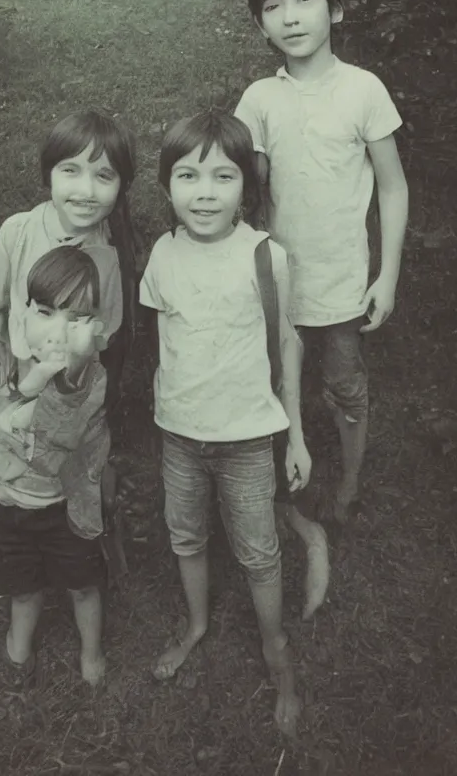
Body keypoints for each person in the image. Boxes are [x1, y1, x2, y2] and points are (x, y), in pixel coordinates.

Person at [139, 108, 319, 736]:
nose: (205, 192)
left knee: (258, 553)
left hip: (246, 439)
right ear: (166, 187)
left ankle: (277, 653)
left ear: (248, 185)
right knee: (185, 536)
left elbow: (287, 344)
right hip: (180, 437)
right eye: (188, 176)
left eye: (223, 176)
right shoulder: (161, 254)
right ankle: (196, 624)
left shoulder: (266, 257)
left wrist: (294, 433)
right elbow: (165, 340)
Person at [235, 0, 409, 521]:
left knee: (344, 385)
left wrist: (387, 277)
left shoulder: (364, 89)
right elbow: (244, 181)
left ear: (334, 11)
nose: (290, 16)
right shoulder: (259, 98)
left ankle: (350, 481)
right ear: (261, 23)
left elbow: (392, 187)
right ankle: (277, 475)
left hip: (339, 281)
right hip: (278, 284)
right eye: (272, 5)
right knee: (274, 378)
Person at [0, 246, 110, 686]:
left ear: (95, 330)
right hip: (9, 516)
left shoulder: (89, 392)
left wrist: (60, 376)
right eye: (45, 311)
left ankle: (91, 650)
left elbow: (62, 434)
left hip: (67, 511)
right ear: (21, 321)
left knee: (83, 587)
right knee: (23, 591)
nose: (60, 331)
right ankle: (19, 644)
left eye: (78, 318)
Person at [0, 109, 136, 419]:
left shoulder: (111, 251)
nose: (86, 192)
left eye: (104, 176)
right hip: (21, 371)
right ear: (48, 173)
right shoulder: (17, 232)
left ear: (121, 186)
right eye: (70, 170)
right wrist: (3, 364)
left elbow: (105, 333)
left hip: (76, 384)